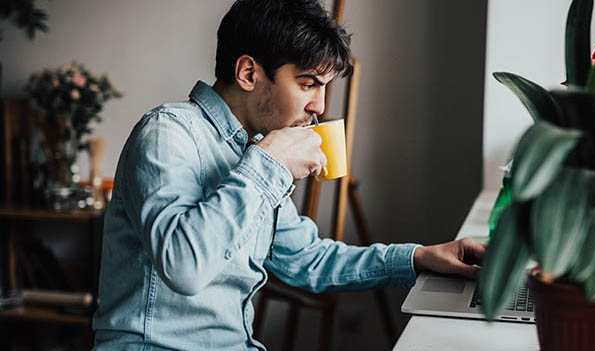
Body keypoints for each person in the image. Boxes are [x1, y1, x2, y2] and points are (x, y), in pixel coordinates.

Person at [91, 0, 486, 350]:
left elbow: (308, 261)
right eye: (308, 83)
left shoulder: (253, 148)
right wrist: (267, 165)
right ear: (248, 72)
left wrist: (418, 258)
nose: (319, 106)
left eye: (325, 87)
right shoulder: (169, 133)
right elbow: (184, 266)